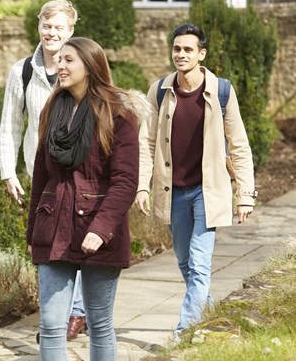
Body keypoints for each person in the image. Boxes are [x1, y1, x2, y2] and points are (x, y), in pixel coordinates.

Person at [27, 37, 151, 360]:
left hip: (99, 230)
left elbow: (125, 180)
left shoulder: (118, 114)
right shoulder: (52, 109)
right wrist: (32, 233)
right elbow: (41, 176)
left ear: (90, 66)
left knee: (99, 323)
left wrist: (101, 227)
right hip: (53, 227)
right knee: (52, 324)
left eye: (69, 60)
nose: (60, 66)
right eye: (59, 60)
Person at [134, 23, 257, 337]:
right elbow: (146, 142)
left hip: (208, 191)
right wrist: (141, 185)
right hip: (173, 191)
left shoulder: (222, 91)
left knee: (200, 264)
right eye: (177, 48)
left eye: (188, 49)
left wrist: (245, 193)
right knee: (186, 262)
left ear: (202, 54)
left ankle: (185, 332)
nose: (181, 54)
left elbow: (239, 144)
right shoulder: (159, 90)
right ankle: (210, 309)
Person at [0, 0, 87, 340]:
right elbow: (10, 125)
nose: (52, 33)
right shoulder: (22, 71)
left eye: (59, 27)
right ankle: (57, 314)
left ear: (71, 31)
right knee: (48, 243)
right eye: (47, 26)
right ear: (39, 27)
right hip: (41, 175)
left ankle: (75, 313)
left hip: (80, 173)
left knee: (78, 240)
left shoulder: (82, 67)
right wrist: (8, 171)